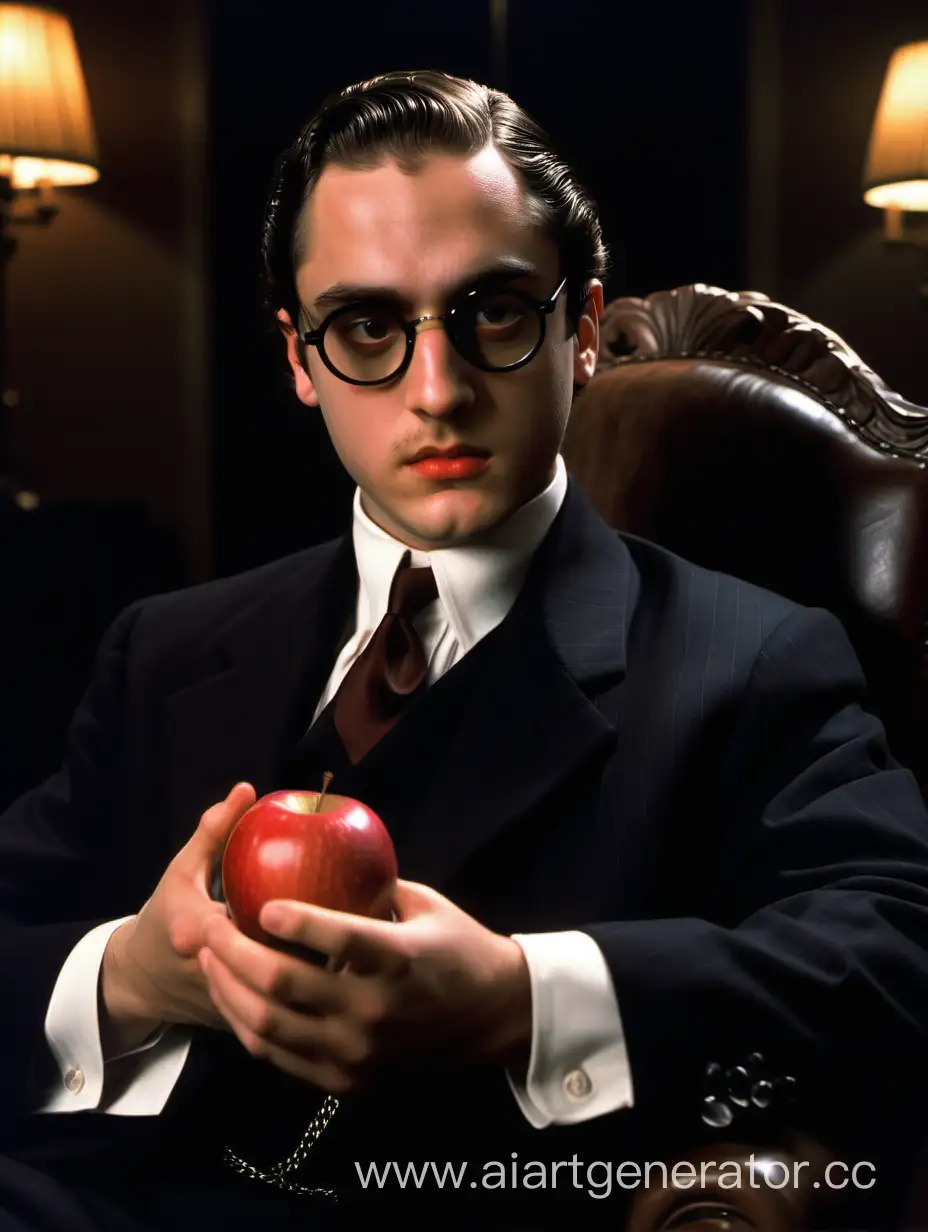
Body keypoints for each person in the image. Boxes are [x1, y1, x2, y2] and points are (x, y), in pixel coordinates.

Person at [2, 68, 928, 1232]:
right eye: (366, 327)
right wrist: (125, 978)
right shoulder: (166, 647)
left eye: (492, 311)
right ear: (300, 358)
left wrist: (523, 1001)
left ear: (582, 332)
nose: (435, 393)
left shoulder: (756, 656)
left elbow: (896, 951)